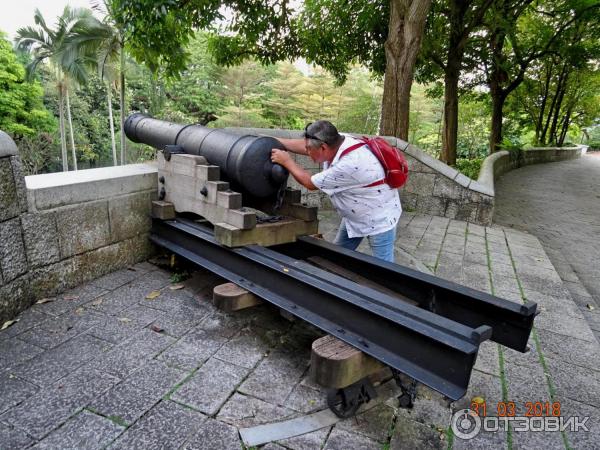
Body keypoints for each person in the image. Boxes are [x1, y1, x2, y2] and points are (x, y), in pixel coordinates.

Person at [271, 120, 401, 262]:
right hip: (354, 217)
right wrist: (275, 141)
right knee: (337, 256)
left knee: (385, 268)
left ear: (324, 148)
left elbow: (310, 183)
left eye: (309, 149)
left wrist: (287, 161)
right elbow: (305, 145)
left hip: (379, 218)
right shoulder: (338, 140)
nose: (307, 152)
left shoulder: (350, 164)